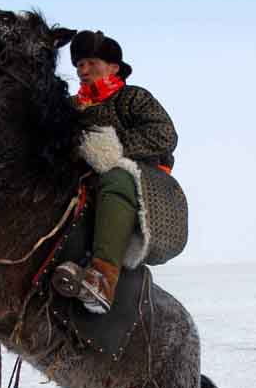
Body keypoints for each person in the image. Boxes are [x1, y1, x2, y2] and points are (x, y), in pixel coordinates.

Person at [52, 30, 178, 314]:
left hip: (136, 179)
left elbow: (164, 135)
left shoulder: (133, 98)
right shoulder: (71, 107)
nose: (83, 70)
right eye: (79, 65)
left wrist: (110, 148)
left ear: (113, 67)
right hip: (79, 179)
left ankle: (102, 279)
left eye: (91, 63)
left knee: (116, 177)